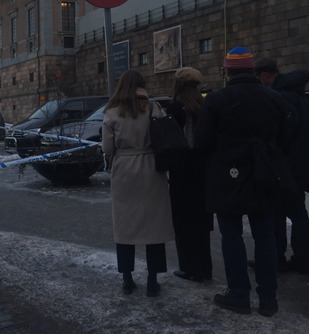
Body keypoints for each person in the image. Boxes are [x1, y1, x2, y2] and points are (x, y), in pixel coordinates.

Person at [195, 46, 290, 317]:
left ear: (227, 71)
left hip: (228, 177)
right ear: (252, 70)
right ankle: (269, 299)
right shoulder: (274, 98)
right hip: (264, 175)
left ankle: (239, 294)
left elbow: (202, 140)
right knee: (266, 236)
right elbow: (282, 141)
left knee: (232, 235)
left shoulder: (215, 100)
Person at [102, 70, 175, 297]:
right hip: (152, 168)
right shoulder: (154, 109)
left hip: (124, 170)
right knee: (154, 226)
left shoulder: (111, 113)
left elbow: (106, 148)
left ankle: (127, 279)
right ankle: (153, 281)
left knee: (125, 227)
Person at [254, 56, 309, 274]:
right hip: (301, 165)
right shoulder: (300, 96)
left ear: (265, 75)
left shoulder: (282, 97)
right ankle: (301, 258)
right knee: (298, 213)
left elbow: (282, 133)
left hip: (286, 167)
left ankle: (277, 258)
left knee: (278, 214)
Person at [166, 67, 213, 282]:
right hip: (203, 168)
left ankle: (190, 267)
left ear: (178, 85)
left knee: (183, 220)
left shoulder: (176, 107)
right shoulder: (204, 105)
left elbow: (170, 141)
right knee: (202, 220)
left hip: (182, 169)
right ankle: (205, 266)